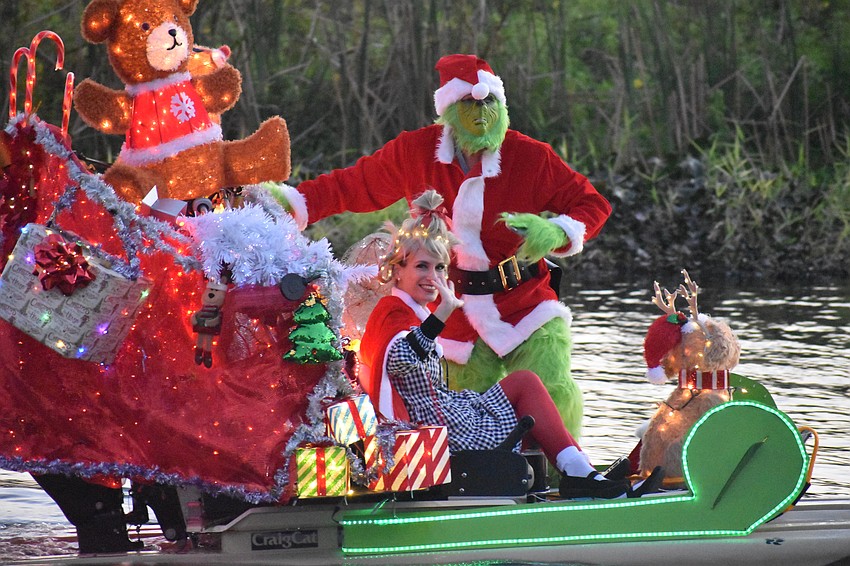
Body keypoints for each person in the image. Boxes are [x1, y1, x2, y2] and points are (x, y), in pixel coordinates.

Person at [270, 54, 611, 438]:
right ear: (449, 109)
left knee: (551, 394)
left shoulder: (530, 157)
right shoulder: (416, 152)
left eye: (489, 103)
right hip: (453, 314)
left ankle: (563, 479)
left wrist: (556, 232)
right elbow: (352, 185)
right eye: (470, 103)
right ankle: (490, 487)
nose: (482, 113)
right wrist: (293, 204)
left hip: (526, 303)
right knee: (462, 420)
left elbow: (593, 204)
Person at [360, 191, 662, 499]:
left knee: (526, 387)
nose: (433, 277)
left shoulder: (411, 311)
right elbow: (399, 357)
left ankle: (577, 475)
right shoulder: (393, 311)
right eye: (422, 266)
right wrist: (442, 314)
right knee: (523, 387)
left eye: (440, 268)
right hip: (441, 434)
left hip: (446, 417)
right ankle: (581, 476)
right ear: (397, 270)